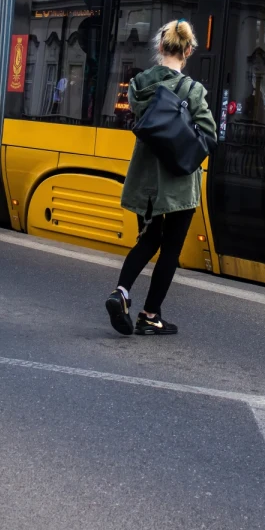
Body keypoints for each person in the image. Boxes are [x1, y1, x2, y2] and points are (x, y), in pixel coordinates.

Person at [105, 20, 216, 336]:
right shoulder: (192, 90)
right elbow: (210, 134)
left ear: (159, 47)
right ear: (188, 51)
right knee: (170, 250)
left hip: (146, 182)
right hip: (179, 183)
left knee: (148, 239)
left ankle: (121, 292)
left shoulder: (139, 83)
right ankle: (150, 315)